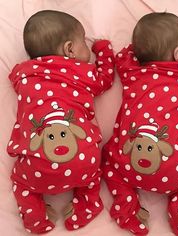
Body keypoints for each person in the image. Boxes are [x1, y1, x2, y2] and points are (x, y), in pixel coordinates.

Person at [102, 12, 178, 236]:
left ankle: (126, 204)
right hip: (175, 171)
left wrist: (144, 47)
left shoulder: (132, 73)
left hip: (127, 163)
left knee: (108, 160)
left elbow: (122, 57)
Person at [7, 10, 115, 234]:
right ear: (70, 49)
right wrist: (103, 50)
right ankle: (87, 205)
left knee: (20, 182)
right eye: (84, 43)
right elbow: (106, 79)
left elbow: (13, 78)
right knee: (93, 175)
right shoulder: (83, 73)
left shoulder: (23, 75)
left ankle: (35, 219)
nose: (88, 49)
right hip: (83, 161)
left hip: (36, 167)